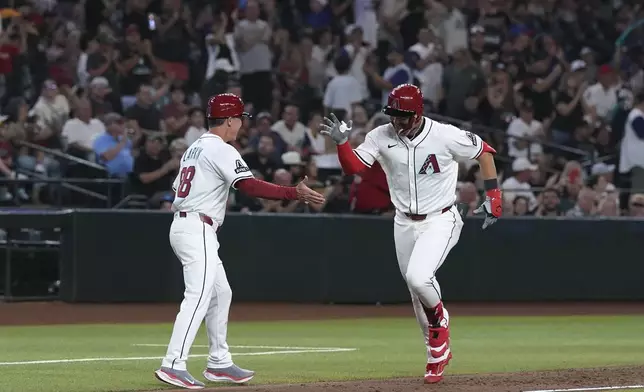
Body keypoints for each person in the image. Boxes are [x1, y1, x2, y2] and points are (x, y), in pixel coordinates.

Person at [319, 84, 501, 384]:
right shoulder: (380, 135)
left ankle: (440, 324)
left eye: (403, 115)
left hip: (441, 219)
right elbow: (354, 167)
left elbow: (485, 152)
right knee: (415, 293)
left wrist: (494, 196)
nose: (397, 121)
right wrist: (342, 143)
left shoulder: (444, 135)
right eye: (393, 114)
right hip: (403, 222)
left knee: (419, 277)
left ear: (418, 114)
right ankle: (436, 351)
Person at [155, 93, 325, 390]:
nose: (241, 126)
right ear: (230, 120)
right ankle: (173, 363)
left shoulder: (194, 147)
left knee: (221, 293)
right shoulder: (220, 148)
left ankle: (219, 362)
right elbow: (248, 185)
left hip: (187, 224)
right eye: (240, 120)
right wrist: (291, 193)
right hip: (197, 227)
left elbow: (180, 186)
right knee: (198, 296)